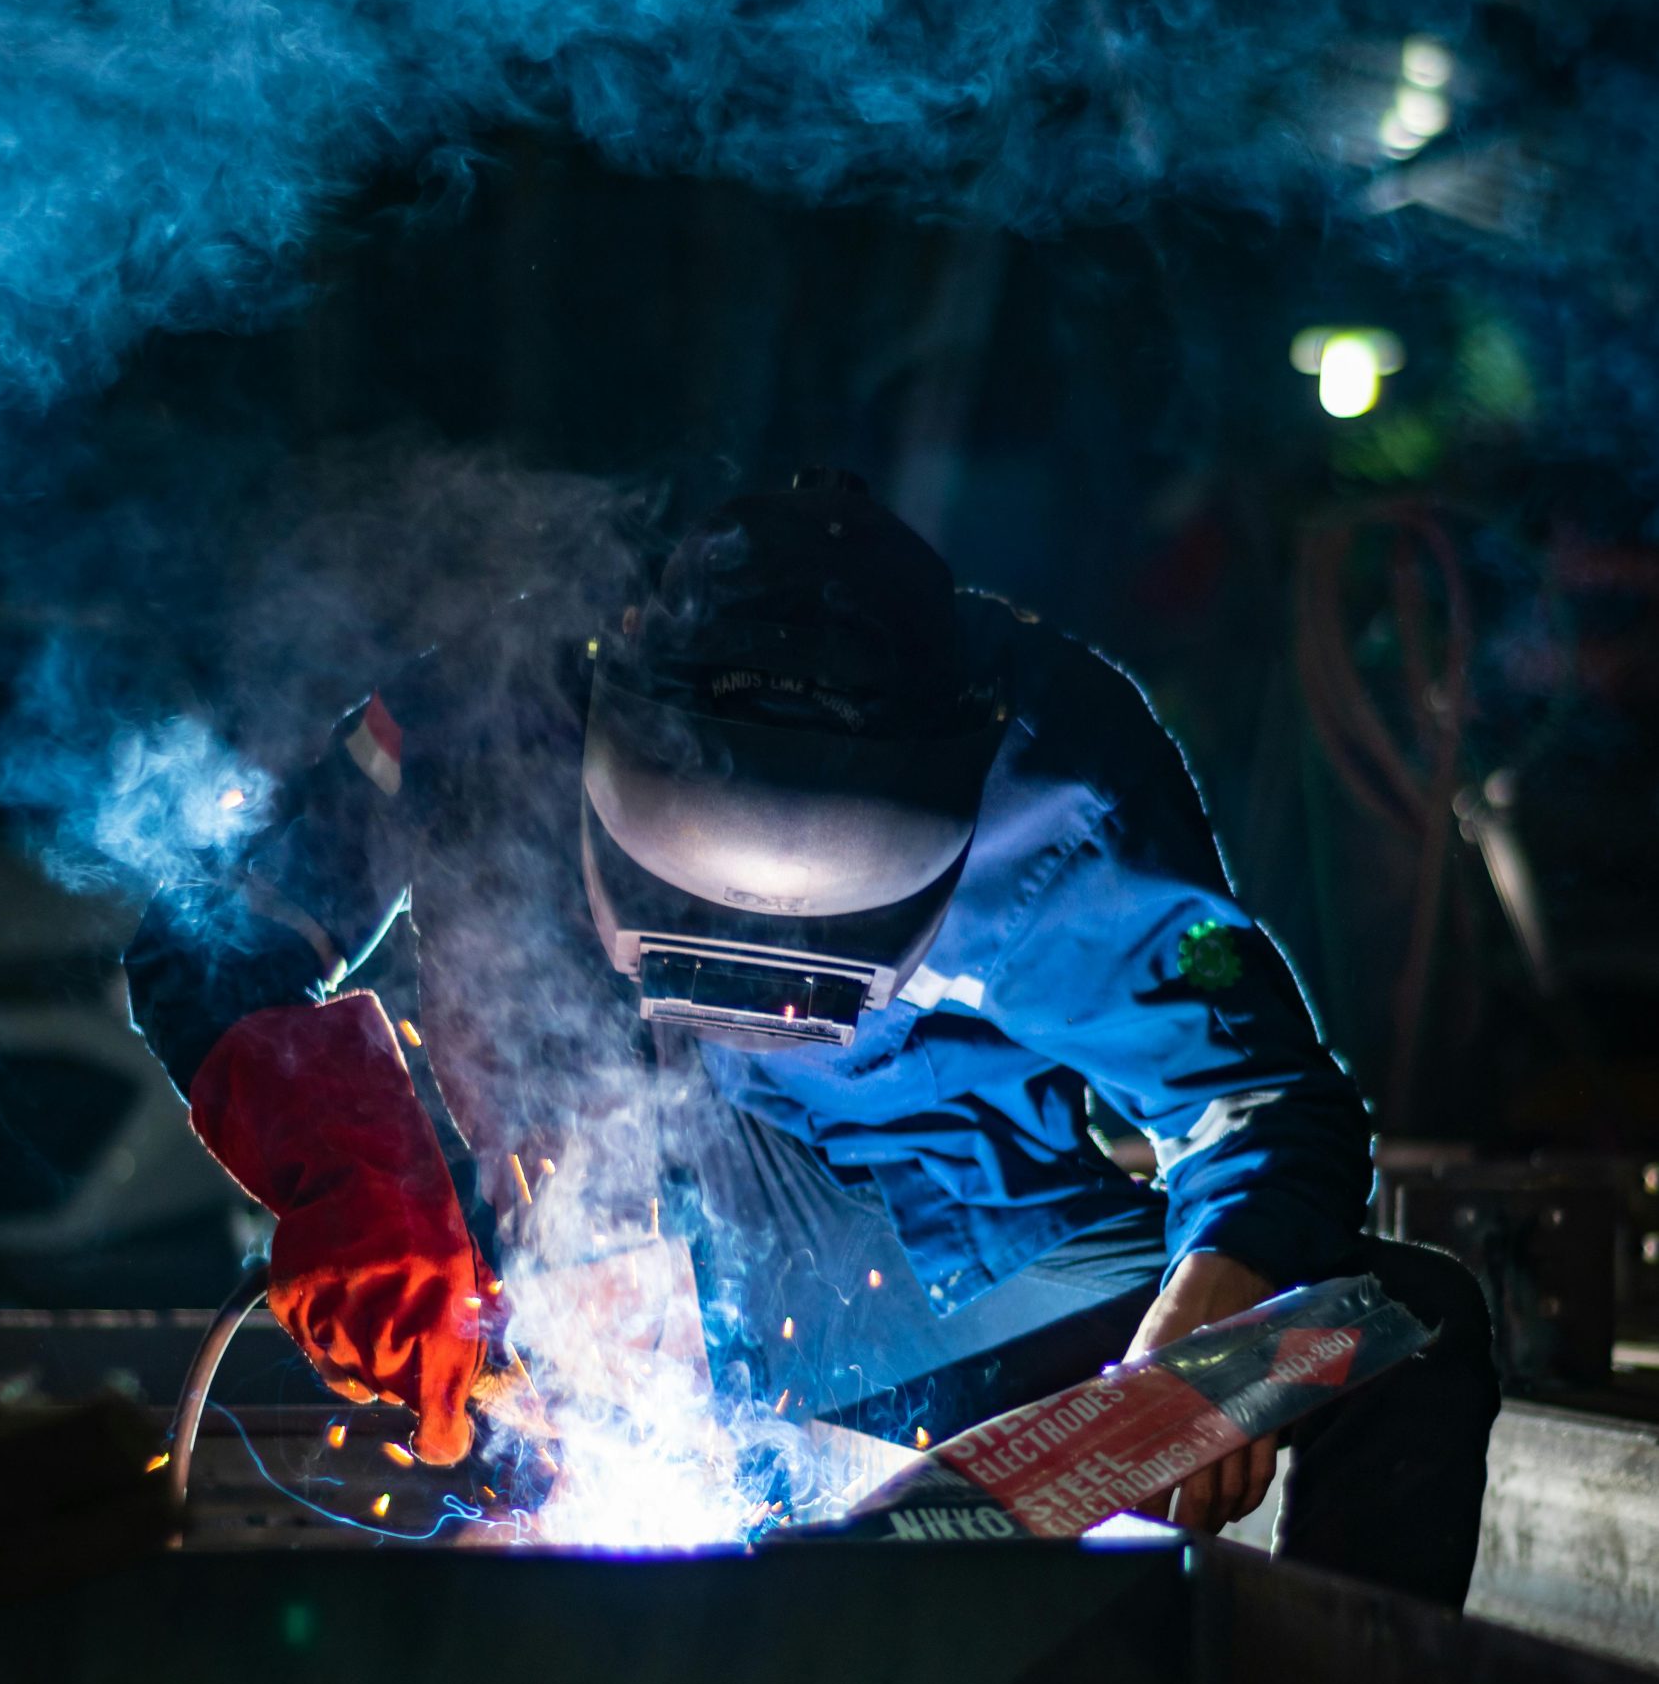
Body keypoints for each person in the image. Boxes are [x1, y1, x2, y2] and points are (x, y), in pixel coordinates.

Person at [126, 471, 1498, 1603]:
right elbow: (210, 927)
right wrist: (355, 1187)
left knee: (1402, 1323)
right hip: (572, 1320)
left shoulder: (1061, 787)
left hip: (951, 1309)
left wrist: (1227, 1283)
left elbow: (1261, 1099)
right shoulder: (487, 711)